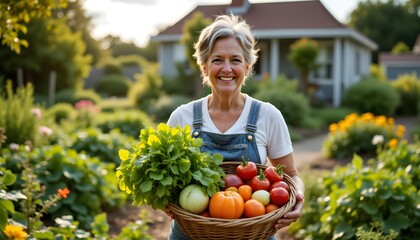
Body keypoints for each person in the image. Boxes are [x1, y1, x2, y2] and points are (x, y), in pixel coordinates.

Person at [165, 14, 305, 240]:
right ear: (204, 67)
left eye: (236, 60)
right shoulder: (182, 117)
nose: (227, 68)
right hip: (191, 234)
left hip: (254, 234)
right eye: (217, 60)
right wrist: (162, 201)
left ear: (248, 67)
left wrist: (298, 199)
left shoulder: (268, 116)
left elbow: (291, 174)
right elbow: (164, 179)